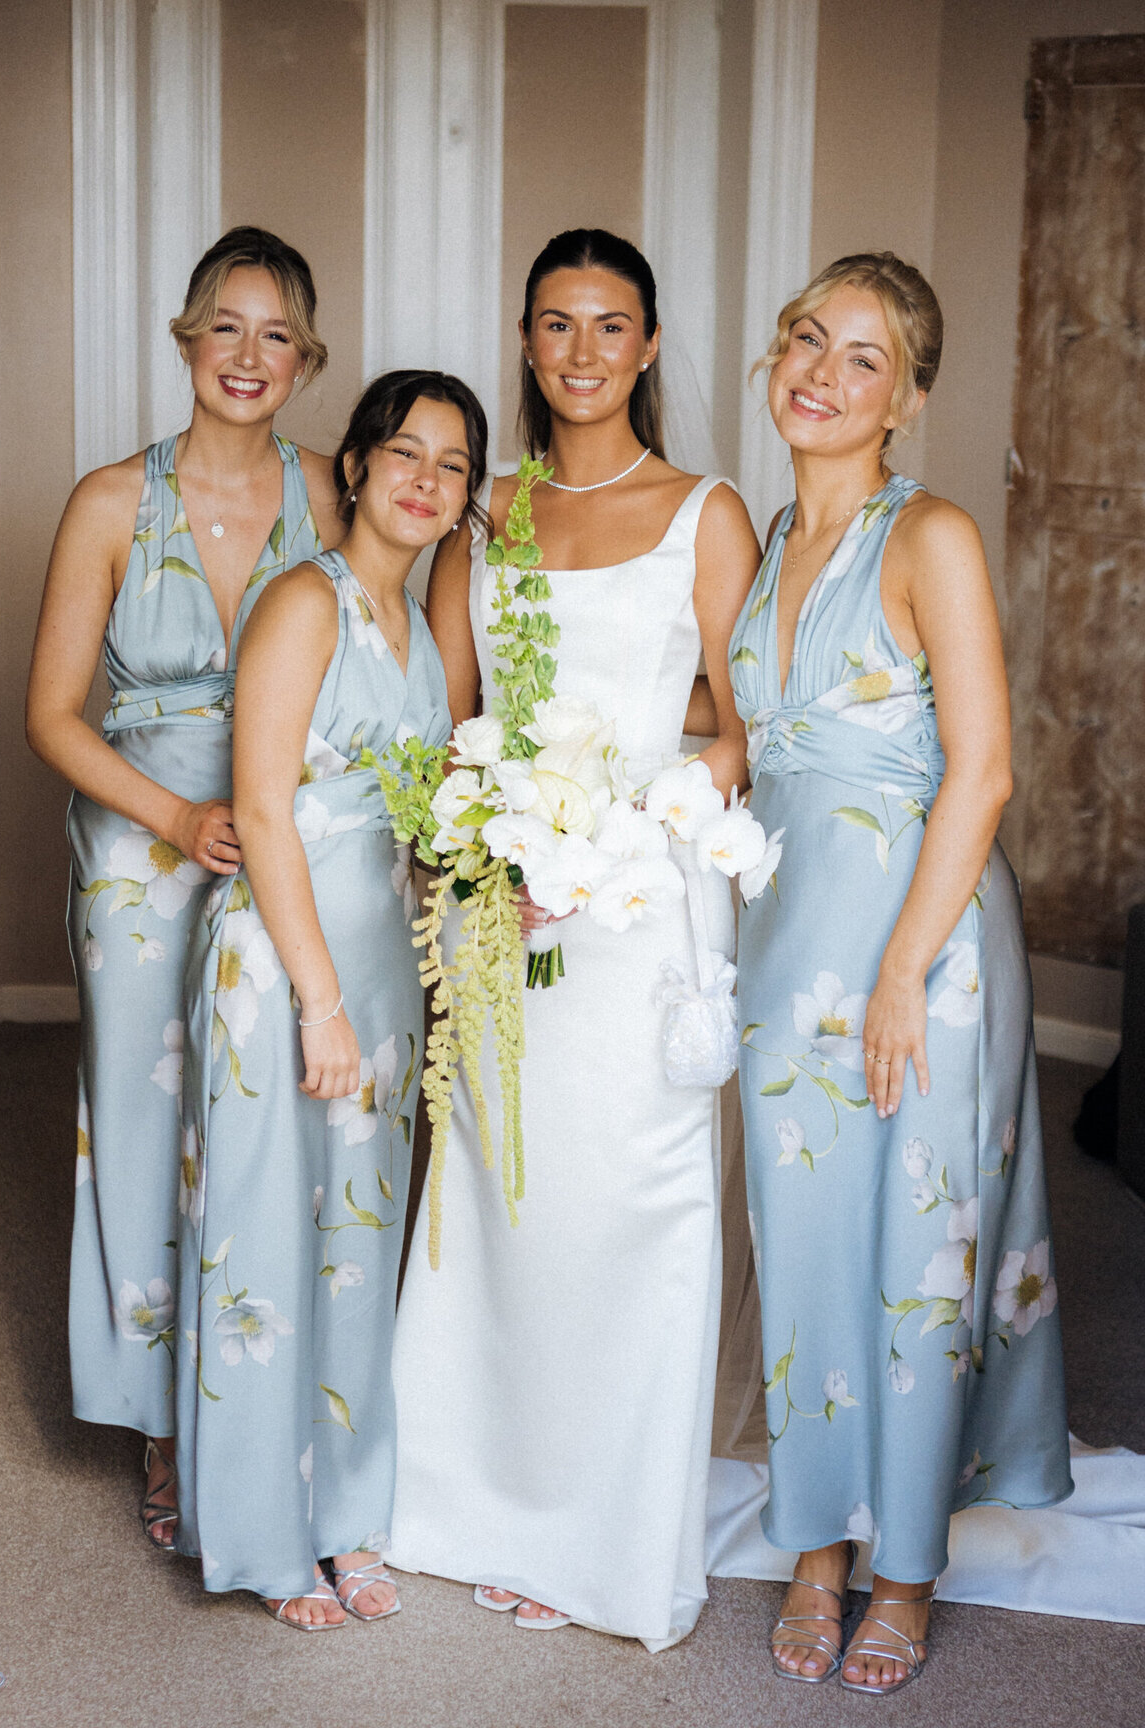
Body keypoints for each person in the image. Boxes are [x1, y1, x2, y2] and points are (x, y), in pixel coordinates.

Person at [389, 229, 761, 1648]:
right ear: (527, 340)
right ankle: (479, 1497)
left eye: (613, 327)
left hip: (641, 901)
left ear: (650, 346)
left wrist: (617, 837)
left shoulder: (707, 511)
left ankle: (605, 1531)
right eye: (557, 325)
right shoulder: (480, 512)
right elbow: (443, 709)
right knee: (499, 1196)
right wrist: (478, 843)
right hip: (501, 899)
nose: (584, 353)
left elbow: (743, 729)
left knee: (624, 1202)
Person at [728, 253, 1072, 1695]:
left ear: (907, 398)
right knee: (804, 1246)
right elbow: (742, 747)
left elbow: (983, 773)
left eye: (862, 357)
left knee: (919, 1256)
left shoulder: (926, 534)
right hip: (785, 946)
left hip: (921, 949)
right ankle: (819, 1544)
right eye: (807, 338)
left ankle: (909, 1564)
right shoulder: (752, 548)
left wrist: (900, 974)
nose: (821, 369)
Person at [25, 227, 336, 1550]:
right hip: (144, 850)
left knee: (268, 1112)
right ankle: (162, 1412)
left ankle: (272, 1384)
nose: (248, 356)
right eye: (227, 327)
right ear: (185, 342)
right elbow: (53, 714)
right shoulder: (108, 502)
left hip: (293, 832)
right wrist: (174, 818)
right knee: (153, 1113)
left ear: (309, 359)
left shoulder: (338, 488)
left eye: (276, 335)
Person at [172, 370, 482, 1630]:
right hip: (283, 970)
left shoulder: (422, 630)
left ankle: (348, 1512)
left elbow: (432, 816)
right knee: (265, 1244)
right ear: (351, 466)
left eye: (452, 464)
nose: (423, 478)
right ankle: (258, 1537)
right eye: (401, 451)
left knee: (359, 1248)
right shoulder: (305, 602)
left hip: (379, 967)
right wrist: (319, 1002)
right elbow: (260, 809)